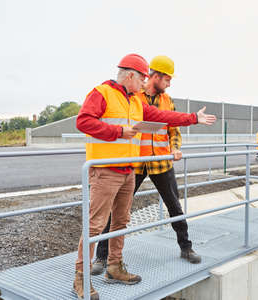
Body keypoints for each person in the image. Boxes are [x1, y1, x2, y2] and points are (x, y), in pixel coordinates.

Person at [73, 53, 216, 300]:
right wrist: (118, 131)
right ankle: (81, 279)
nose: (144, 84)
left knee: (120, 222)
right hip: (106, 170)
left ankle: (114, 267)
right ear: (131, 75)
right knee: (95, 225)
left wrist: (193, 118)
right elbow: (83, 121)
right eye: (142, 79)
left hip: (130, 170)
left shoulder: (135, 101)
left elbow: (164, 117)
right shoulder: (102, 93)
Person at [91, 55, 201, 277]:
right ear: (156, 76)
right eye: (167, 79)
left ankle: (186, 247)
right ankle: (101, 257)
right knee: (116, 210)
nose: (169, 84)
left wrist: (175, 148)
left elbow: (173, 130)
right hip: (137, 164)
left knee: (174, 207)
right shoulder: (132, 96)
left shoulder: (167, 101)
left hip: (161, 163)